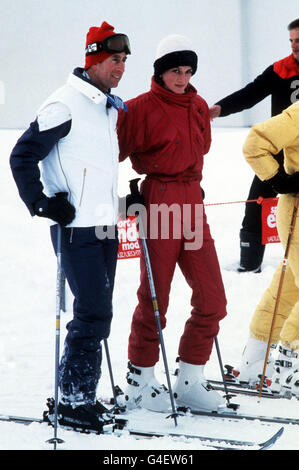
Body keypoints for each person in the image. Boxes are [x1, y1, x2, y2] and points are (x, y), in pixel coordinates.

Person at [10, 21, 131, 432]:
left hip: (103, 228)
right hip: (75, 228)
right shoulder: (63, 105)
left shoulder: (105, 107)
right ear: (94, 60)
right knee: (92, 311)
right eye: (115, 60)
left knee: (101, 314)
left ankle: (79, 394)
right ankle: (72, 401)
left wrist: (124, 203)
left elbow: (93, 172)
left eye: (125, 60)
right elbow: (21, 156)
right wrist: (42, 203)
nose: (121, 67)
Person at [117, 34, 227, 413]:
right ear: (160, 72)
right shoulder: (137, 109)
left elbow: (202, 148)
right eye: (175, 71)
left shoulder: (197, 105)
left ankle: (190, 378)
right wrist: (126, 199)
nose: (182, 78)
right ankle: (141, 380)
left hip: (193, 201)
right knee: (154, 299)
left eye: (188, 71)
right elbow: (107, 154)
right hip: (159, 199)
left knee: (213, 299)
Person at [209, 18, 299, 273]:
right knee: (256, 205)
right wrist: (220, 109)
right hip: (277, 155)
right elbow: (251, 93)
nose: (294, 46)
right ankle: (249, 267)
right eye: (291, 41)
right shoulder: (280, 69)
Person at [235, 101, 299, 399]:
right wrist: (279, 180)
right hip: (298, 214)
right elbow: (256, 142)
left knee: (288, 288)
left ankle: (255, 362)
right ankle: (290, 365)